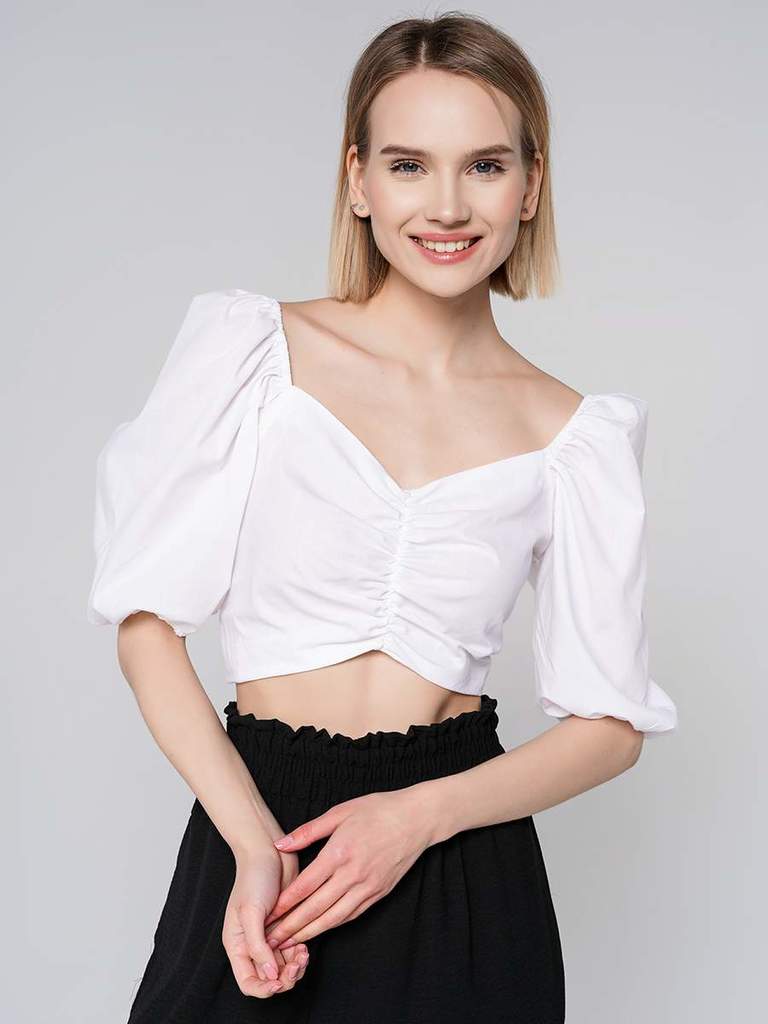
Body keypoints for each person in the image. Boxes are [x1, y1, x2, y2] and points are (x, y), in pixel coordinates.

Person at [86, 12, 678, 1024]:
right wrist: (251, 843)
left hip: (460, 864)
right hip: (263, 836)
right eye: (409, 165)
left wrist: (417, 818)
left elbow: (610, 728)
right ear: (358, 180)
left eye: (485, 165)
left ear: (531, 185)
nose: (447, 205)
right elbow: (145, 625)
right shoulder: (254, 353)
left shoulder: (575, 435)